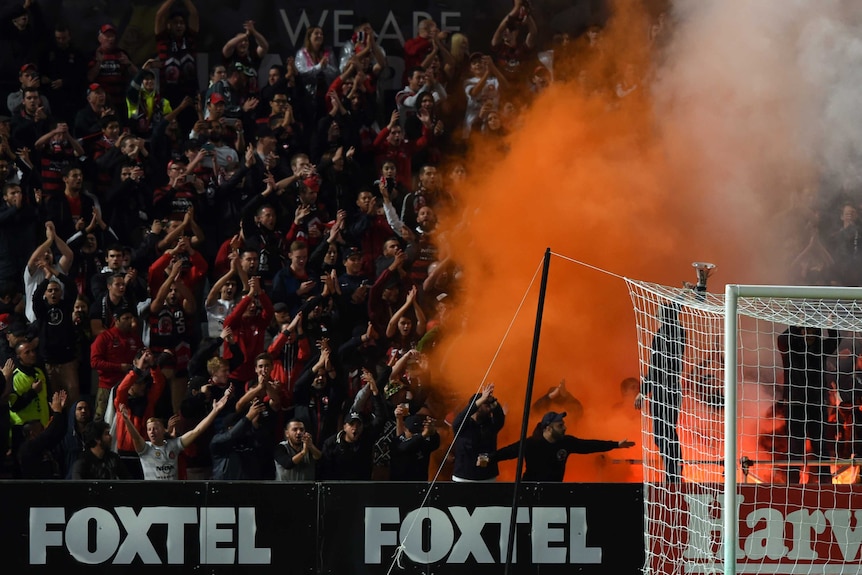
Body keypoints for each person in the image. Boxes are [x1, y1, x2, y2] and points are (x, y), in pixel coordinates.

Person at [490, 411, 634, 482]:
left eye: (563, 424)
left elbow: (589, 445)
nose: (565, 427)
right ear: (548, 428)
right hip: (530, 490)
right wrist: (489, 459)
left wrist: (616, 444)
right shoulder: (531, 443)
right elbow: (507, 452)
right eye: (560, 425)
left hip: (555, 490)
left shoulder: (566, 442)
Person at [118, 389, 230, 480]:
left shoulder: (174, 445)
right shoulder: (145, 448)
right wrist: (127, 420)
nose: (152, 431)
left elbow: (197, 431)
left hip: (173, 496)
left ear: (163, 430)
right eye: (149, 429)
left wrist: (215, 411)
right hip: (153, 497)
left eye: (155, 428)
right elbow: (136, 437)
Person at [777, 325, 840, 484]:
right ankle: (792, 485)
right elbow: (782, 339)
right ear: (800, 332)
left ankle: (825, 484)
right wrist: (796, 323)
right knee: (795, 448)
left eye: (813, 331)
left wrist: (829, 321)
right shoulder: (791, 349)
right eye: (806, 331)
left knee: (821, 448)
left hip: (816, 406)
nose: (810, 334)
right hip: (795, 406)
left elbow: (836, 338)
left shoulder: (821, 349)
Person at [635, 302, 686, 483]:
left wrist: (643, 391)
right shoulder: (678, 331)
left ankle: (673, 474)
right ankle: (674, 471)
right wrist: (690, 291)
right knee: (665, 432)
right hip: (669, 389)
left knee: (663, 433)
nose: (655, 311)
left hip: (664, 390)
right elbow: (676, 307)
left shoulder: (664, 335)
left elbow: (655, 366)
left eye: (659, 310)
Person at [451, 382, 505, 482]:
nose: (489, 408)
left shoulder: (491, 425)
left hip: (488, 476)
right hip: (463, 477)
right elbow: (463, 415)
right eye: (485, 404)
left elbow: (500, 418)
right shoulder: (462, 425)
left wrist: (493, 402)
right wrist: (480, 400)